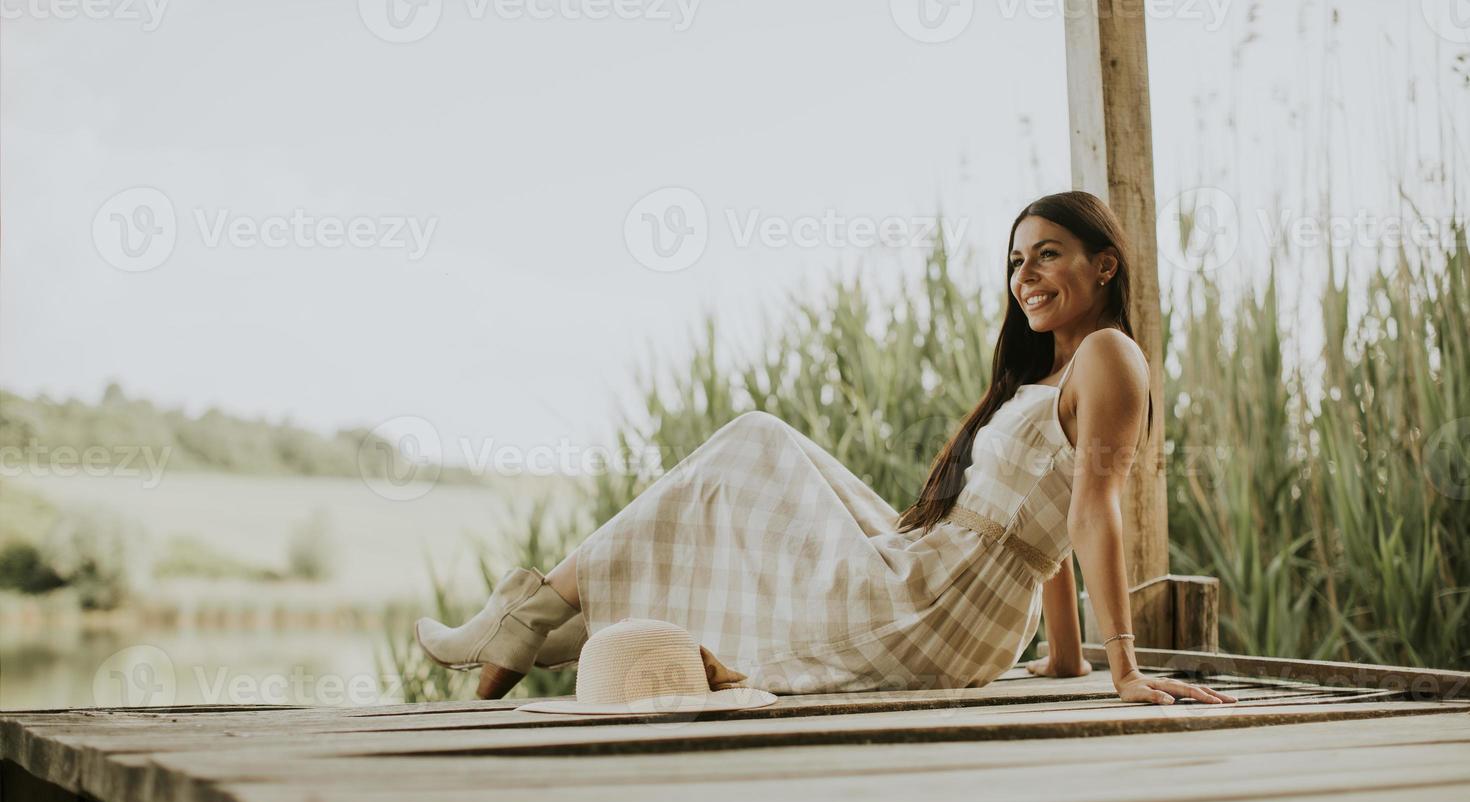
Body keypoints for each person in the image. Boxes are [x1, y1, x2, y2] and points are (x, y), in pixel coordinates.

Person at [415, 190, 1236, 707]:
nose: (1025, 276)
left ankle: (535, 615)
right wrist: (1064, 659)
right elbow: (1043, 530)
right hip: (946, 593)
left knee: (755, 441)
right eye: (1017, 261)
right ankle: (556, 615)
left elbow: (1090, 509)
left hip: (937, 606)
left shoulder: (1110, 356)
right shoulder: (1045, 377)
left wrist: (1119, 668)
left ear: (1105, 264)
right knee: (768, 454)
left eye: (1047, 255)